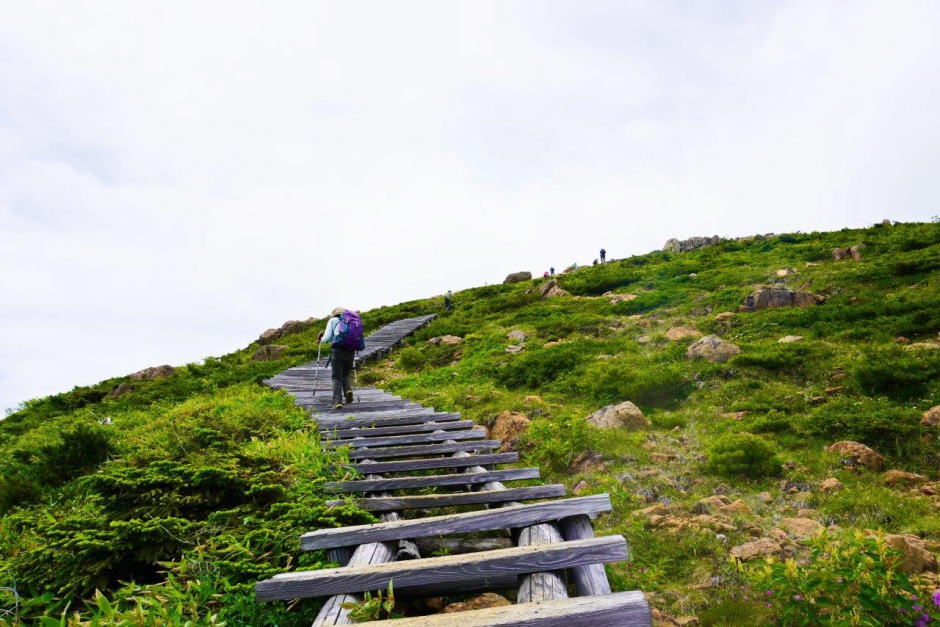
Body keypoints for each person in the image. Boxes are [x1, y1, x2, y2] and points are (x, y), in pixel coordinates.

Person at [318, 307, 363, 408]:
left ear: (334, 314)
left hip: (338, 351)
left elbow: (327, 338)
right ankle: (348, 390)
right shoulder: (353, 321)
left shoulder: (333, 320)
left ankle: (337, 401)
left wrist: (321, 339)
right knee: (345, 374)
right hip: (350, 351)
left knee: (336, 376)